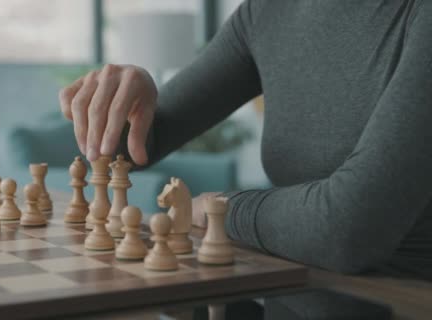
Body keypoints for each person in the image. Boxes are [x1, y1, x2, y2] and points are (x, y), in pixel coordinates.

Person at [59, 0, 432, 280]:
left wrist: (220, 208)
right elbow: (138, 147)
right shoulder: (268, 12)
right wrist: (125, 102)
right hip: (286, 293)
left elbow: (352, 231)